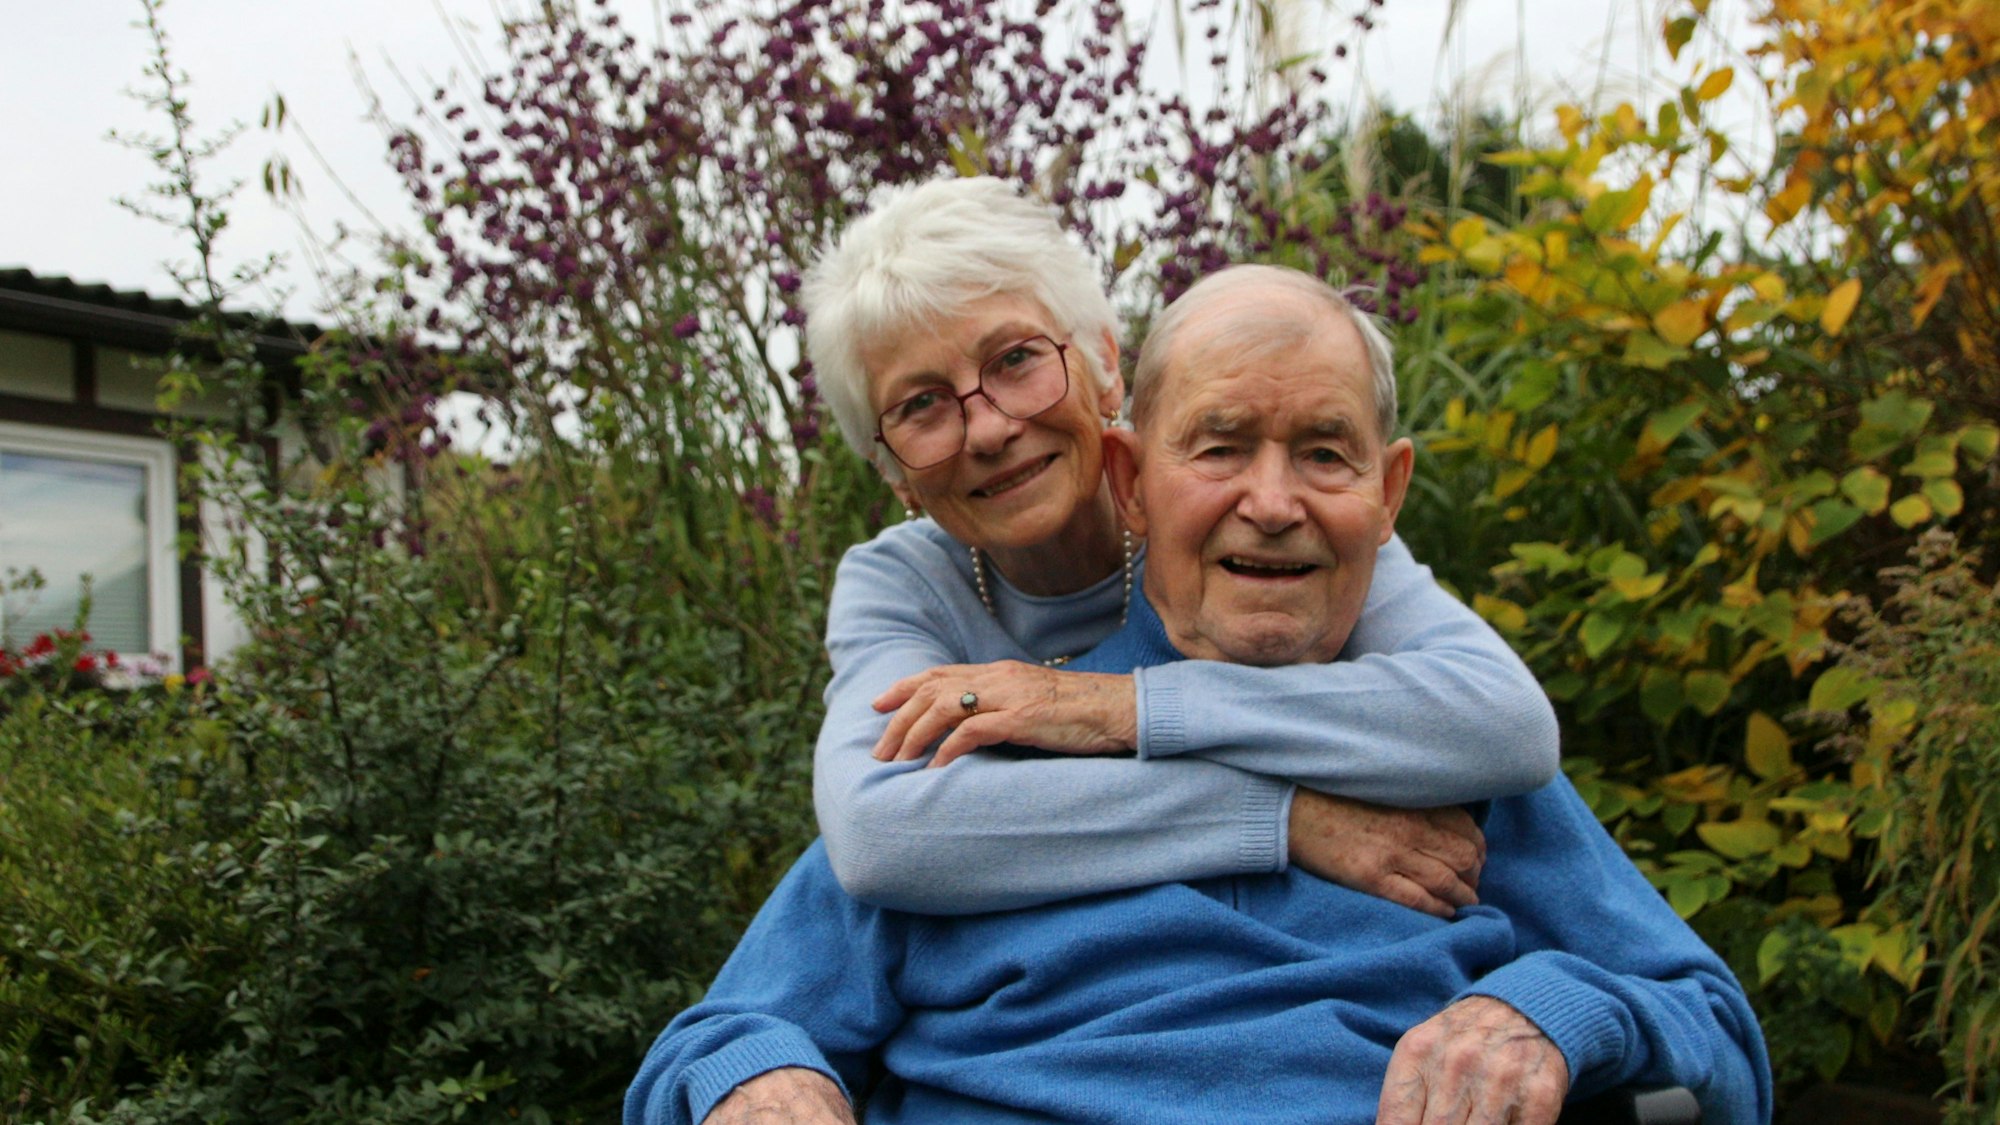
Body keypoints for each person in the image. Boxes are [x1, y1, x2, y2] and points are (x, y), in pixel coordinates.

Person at [624, 265, 1773, 1125]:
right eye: (1218, 448)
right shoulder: (979, 765)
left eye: (1324, 453)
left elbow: (1716, 1029)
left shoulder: (1444, 753)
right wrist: (759, 1080)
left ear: (1385, 495)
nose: (1271, 504)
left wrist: (1554, 1010)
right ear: (1130, 483)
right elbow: (721, 1035)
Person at [800, 175, 1559, 923]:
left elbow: (1503, 724)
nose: (991, 429)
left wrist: (1118, 709)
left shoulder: (1243, 516)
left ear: (1105, 367)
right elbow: (881, 833)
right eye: (921, 405)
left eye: (1016, 360)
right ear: (890, 470)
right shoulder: (902, 583)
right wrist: (1285, 816)